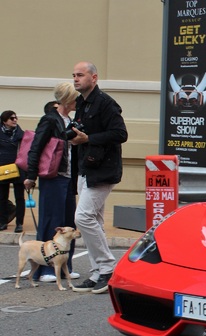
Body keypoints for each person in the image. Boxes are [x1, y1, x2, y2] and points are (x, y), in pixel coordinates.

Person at [69, 61, 128, 294]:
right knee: (94, 221)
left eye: (80, 75)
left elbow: (120, 134)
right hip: (86, 168)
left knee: (82, 217)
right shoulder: (82, 103)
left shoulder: (105, 103)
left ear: (94, 78)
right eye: (73, 75)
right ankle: (96, 273)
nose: (76, 79)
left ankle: (107, 267)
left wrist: (88, 139)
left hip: (103, 171)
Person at [23, 84, 81, 283]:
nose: (77, 101)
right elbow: (36, 147)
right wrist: (31, 175)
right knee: (51, 220)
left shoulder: (70, 120)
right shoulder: (50, 119)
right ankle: (45, 269)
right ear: (66, 99)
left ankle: (66, 267)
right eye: (75, 98)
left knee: (68, 222)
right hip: (53, 177)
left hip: (67, 177)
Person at [0, 110, 25, 232]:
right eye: (11, 118)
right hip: (3, 168)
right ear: (4, 121)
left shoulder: (22, 134)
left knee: (19, 197)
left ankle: (19, 223)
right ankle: (3, 221)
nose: (15, 120)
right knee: (2, 197)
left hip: (18, 168)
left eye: (15, 117)